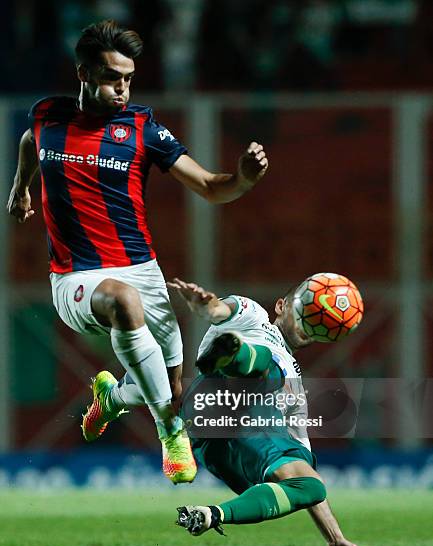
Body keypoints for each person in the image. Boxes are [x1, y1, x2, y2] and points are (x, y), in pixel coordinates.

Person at [6, 20, 268, 485]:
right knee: (126, 310)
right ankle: (171, 433)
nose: (122, 88)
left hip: (143, 270)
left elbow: (210, 186)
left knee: (171, 386)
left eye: (128, 78)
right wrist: (20, 187)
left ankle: (114, 398)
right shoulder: (48, 115)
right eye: (112, 77)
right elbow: (32, 141)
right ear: (84, 74)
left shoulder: (142, 128)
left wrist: (244, 179)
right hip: (75, 277)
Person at [168, 278, 370, 546]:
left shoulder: (295, 388)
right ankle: (235, 357)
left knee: (312, 487)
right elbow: (220, 310)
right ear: (280, 306)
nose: (305, 325)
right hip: (215, 396)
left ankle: (212, 515)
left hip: (229, 445)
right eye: (303, 312)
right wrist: (204, 305)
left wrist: (335, 538)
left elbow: (300, 472)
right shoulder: (254, 315)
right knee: (267, 367)